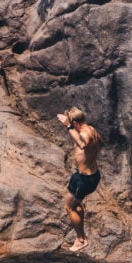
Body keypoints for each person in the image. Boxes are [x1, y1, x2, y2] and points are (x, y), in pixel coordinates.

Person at [57, 106, 103, 252]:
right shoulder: (92, 129)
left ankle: (81, 240)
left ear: (75, 123)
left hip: (85, 179)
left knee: (69, 207)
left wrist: (68, 126)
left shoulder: (84, 133)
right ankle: (81, 234)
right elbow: (100, 142)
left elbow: (82, 143)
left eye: (73, 125)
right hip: (86, 176)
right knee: (76, 204)